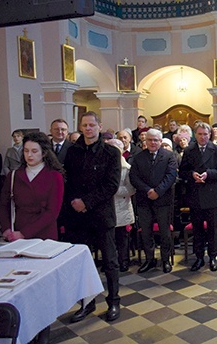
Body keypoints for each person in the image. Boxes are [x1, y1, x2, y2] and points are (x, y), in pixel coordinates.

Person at [62, 111, 122, 322]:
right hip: (78, 217)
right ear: (80, 127)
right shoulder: (73, 152)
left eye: (91, 125)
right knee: (83, 263)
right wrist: (75, 203)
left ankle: (114, 302)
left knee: (109, 262)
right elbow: (68, 182)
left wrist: (86, 202)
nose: (88, 129)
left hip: (101, 214)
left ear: (99, 126)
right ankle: (86, 303)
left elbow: (111, 185)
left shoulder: (111, 153)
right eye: (84, 125)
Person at [178, 122, 217, 272]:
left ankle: (213, 257)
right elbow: (182, 172)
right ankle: (199, 257)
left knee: (213, 229)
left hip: (211, 193)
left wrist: (208, 174)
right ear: (196, 135)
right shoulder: (189, 150)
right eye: (199, 134)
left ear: (209, 135)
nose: (202, 137)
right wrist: (192, 174)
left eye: (205, 134)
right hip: (195, 194)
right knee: (198, 229)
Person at [0, 132, 64, 241]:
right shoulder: (14, 175)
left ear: (44, 153)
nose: (29, 155)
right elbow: (3, 204)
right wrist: (6, 228)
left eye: (34, 151)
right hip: (17, 233)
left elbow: (52, 212)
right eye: (26, 151)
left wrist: (24, 233)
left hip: (44, 235)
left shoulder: (55, 176)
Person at [129, 128, 177, 274]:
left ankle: (165, 260)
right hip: (144, 199)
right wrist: (148, 190)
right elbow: (134, 177)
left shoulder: (169, 156)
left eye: (156, 140)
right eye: (150, 140)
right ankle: (150, 260)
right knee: (146, 232)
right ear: (145, 141)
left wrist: (158, 191)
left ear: (160, 141)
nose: (153, 143)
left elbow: (171, 176)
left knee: (164, 232)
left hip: (163, 200)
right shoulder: (138, 157)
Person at [106, 139, 136, 273]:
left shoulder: (127, 168)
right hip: (107, 207)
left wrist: (114, 189)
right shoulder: (104, 166)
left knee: (122, 238)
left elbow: (131, 189)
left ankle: (124, 261)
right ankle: (110, 262)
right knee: (108, 239)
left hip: (122, 207)